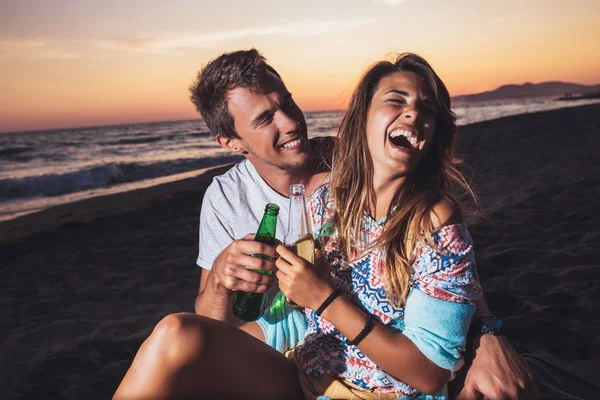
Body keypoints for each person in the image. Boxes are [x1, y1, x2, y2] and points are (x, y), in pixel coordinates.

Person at [113, 49, 537, 399]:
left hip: (364, 372)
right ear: (231, 142)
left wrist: (488, 334)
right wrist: (223, 281)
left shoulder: (357, 171)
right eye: (265, 119)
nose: (291, 122)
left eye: (288, 103)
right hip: (297, 356)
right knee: (175, 333)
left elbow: (448, 267)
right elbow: (238, 320)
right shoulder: (237, 198)